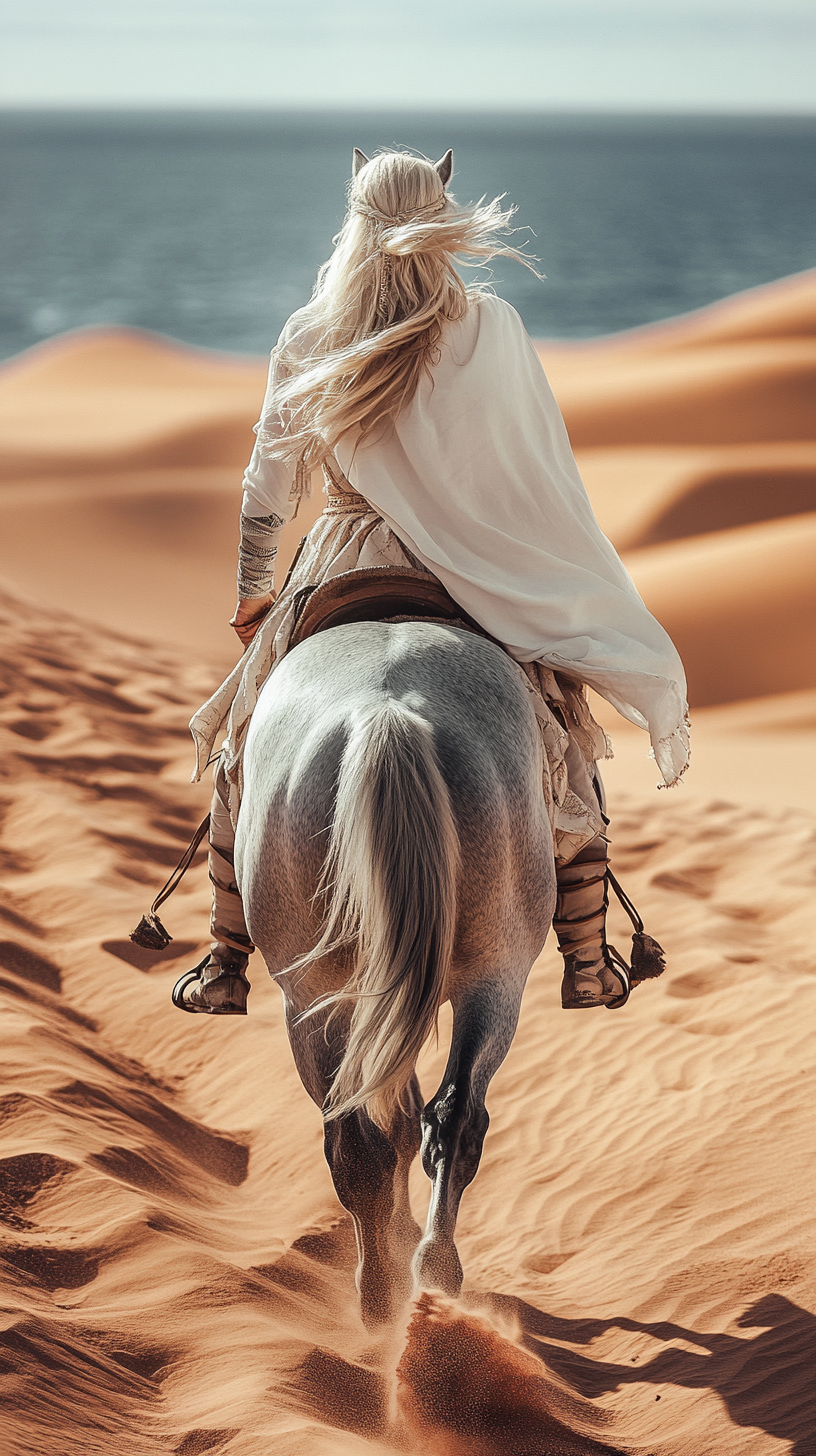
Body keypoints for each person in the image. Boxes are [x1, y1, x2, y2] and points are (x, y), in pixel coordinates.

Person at [171, 147, 689, 1017]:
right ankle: (590, 959)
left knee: (245, 740)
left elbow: (267, 488)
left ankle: (225, 959)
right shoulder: (491, 325)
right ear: (442, 208)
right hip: (468, 565)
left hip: (338, 559)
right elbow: (532, 468)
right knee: (558, 729)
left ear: (356, 212)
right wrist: (522, 562)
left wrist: (253, 593)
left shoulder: (311, 328)